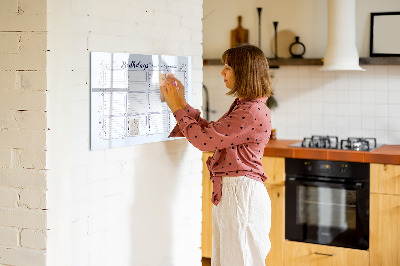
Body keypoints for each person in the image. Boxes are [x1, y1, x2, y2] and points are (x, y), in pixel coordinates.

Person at [161, 44, 273, 266]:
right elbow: (212, 133)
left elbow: (204, 141)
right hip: (236, 193)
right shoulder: (246, 106)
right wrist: (182, 103)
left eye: (228, 67)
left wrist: (176, 108)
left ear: (244, 72)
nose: (222, 72)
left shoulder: (250, 111)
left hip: (241, 195)